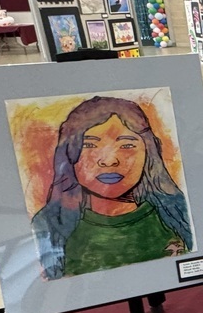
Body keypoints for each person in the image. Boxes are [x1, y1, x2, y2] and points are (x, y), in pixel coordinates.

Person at [31, 96, 193, 279]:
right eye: (90, 145)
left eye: (127, 145)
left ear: (148, 153)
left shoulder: (178, 214)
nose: (109, 160)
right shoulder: (49, 225)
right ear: (69, 153)